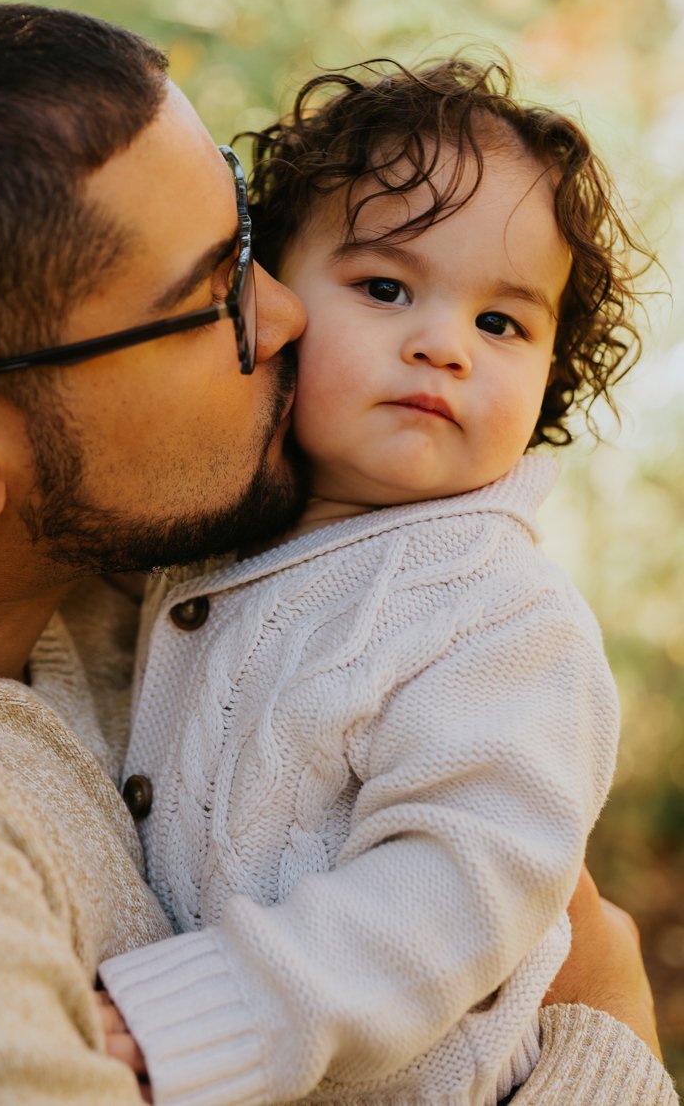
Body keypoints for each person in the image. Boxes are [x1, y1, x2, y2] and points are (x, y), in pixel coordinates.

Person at [0, 7, 673, 1106]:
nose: (287, 313)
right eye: (213, 296)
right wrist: (607, 1033)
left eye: (251, 242)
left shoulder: (56, 562)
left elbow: (466, 874)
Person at [98, 61, 678, 1105]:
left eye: (501, 324)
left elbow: (452, 892)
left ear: (553, 369)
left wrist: (215, 1006)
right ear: (270, 298)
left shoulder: (503, 618)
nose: (441, 344)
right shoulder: (201, 538)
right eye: (385, 288)